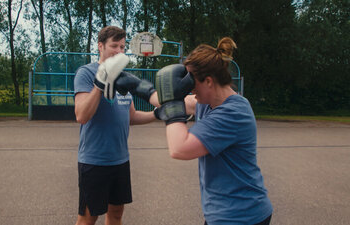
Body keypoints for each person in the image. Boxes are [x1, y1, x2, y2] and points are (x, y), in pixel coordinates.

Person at [154, 37, 273, 225]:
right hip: (222, 212)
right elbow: (169, 101)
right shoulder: (207, 102)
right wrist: (134, 85)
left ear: (209, 81)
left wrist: (170, 102)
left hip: (242, 216)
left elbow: (179, 148)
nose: (190, 90)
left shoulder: (233, 112)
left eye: (192, 83)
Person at [73, 26, 158, 225]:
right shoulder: (86, 73)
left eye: (122, 47)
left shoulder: (123, 77)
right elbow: (82, 115)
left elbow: (132, 117)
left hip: (120, 160)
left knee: (116, 214)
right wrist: (99, 84)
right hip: (94, 161)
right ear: (100, 46)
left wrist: (157, 114)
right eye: (114, 46)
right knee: (88, 218)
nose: (119, 51)